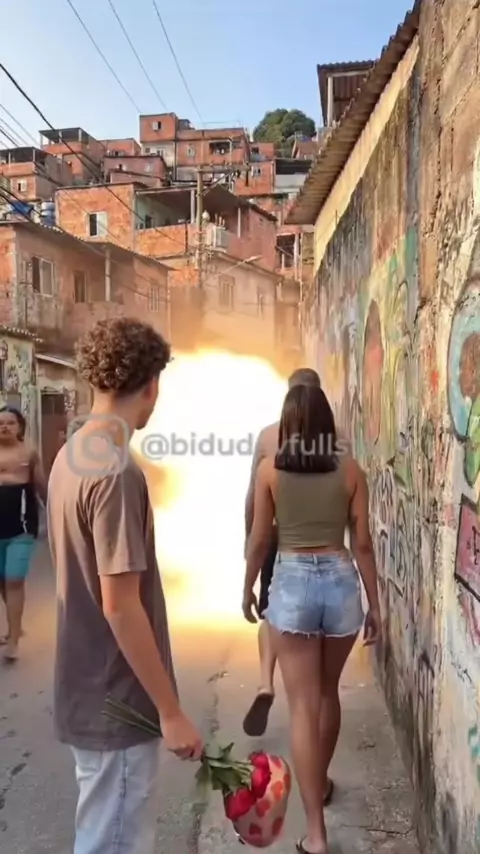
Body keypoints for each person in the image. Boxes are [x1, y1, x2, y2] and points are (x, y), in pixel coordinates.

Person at [47, 318, 203, 854]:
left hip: (89, 689)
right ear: (152, 385)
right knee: (114, 842)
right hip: (116, 699)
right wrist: (171, 711)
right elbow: (120, 606)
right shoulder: (115, 471)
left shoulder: (72, 453)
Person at [242, 383, 381, 854]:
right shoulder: (352, 471)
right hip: (340, 581)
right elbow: (363, 545)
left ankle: (316, 835)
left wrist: (247, 587)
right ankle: (319, 784)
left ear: (288, 423)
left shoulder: (270, 471)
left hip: (294, 583)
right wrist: (376, 606)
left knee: (302, 706)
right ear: (327, 422)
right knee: (327, 693)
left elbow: (260, 540)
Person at [0, 405, 46, 662]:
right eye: (0, 423)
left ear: (19, 427)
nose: (4, 427)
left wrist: (57, 513)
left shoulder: (29, 452)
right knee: (2, 580)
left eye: (10, 422)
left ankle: (14, 641)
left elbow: (41, 485)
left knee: (14, 579)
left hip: (22, 526)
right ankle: (14, 626)